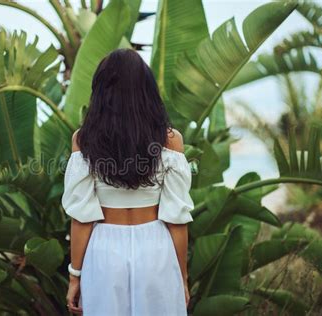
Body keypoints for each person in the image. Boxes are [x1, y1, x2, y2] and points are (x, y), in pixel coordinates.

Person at [61, 48, 194, 316]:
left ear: (101, 93)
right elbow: (176, 219)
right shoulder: (170, 140)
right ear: (146, 90)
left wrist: (75, 276)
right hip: (156, 248)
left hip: (104, 250)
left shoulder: (84, 140)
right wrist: (183, 277)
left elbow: (82, 219)